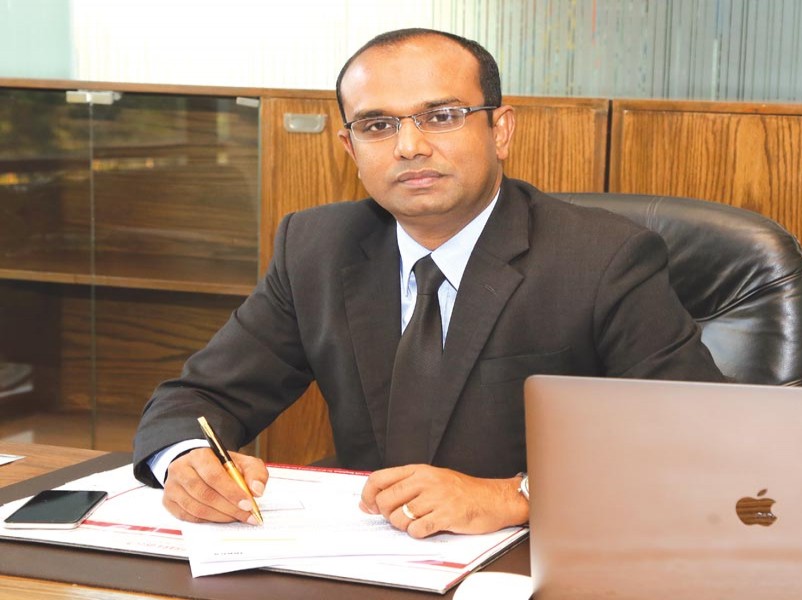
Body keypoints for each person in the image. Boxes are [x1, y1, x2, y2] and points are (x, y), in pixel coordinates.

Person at [133, 28, 725, 539]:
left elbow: (697, 440)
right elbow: (198, 400)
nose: (410, 147)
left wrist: (516, 495)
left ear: (500, 130)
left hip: (529, 557)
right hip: (365, 554)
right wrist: (187, 462)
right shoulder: (315, 247)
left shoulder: (603, 258)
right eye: (378, 125)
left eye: (441, 117)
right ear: (350, 148)